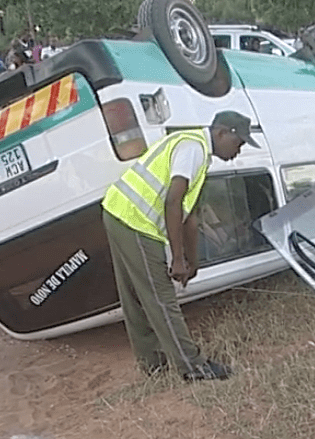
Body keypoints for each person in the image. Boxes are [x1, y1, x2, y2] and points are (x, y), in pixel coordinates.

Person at [101, 110, 260, 380]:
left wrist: (192, 260)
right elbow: (173, 201)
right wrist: (176, 258)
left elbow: (190, 216)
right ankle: (193, 366)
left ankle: (153, 364)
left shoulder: (195, 150)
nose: (239, 150)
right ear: (222, 133)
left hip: (117, 212)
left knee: (134, 296)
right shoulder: (193, 147)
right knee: (160, 297)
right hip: (135, 220)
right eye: (239, 143)